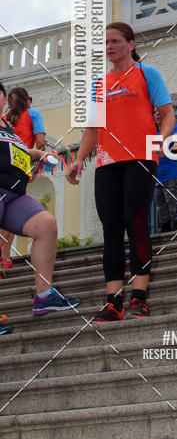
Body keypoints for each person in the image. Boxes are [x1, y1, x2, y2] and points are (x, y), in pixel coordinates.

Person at [67, 23, 175, 322]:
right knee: (111, 229)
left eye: (115, 41)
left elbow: (167, 114)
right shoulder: (99, 84)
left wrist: (161, 139)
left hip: (140, 157)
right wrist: (79, 160)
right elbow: (92, 129)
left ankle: (138, 297)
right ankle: (113, 302)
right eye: (105, 43)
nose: (110, 46)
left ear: (130, 43)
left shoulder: (146, 74)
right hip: (106, 163)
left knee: (135, 222)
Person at [0, 81, 80, 325]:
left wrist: (41, 154)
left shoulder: (7, 126)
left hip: (15, 194)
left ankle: (44, 296)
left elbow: (21, 150)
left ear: (4, 99)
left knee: (46, 224)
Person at [1, 87, 46, 269]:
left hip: (5, 165)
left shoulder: (5, 121)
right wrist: (37, 163)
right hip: (21, 166)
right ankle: (6, 257)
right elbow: (41, 141)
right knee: (12, 210)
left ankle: (5, 256)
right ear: (28, 100)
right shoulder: (32, 113)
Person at [154, 108, 177, 232]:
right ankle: (166, 241)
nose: (157, 113)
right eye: (155, 112)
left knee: (174, 208)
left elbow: (176, 138)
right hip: (158, 178)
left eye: (160, 111)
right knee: (161, 211)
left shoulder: (172, 127)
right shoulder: (154, 132)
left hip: (174, 175)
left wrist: (176, 144)